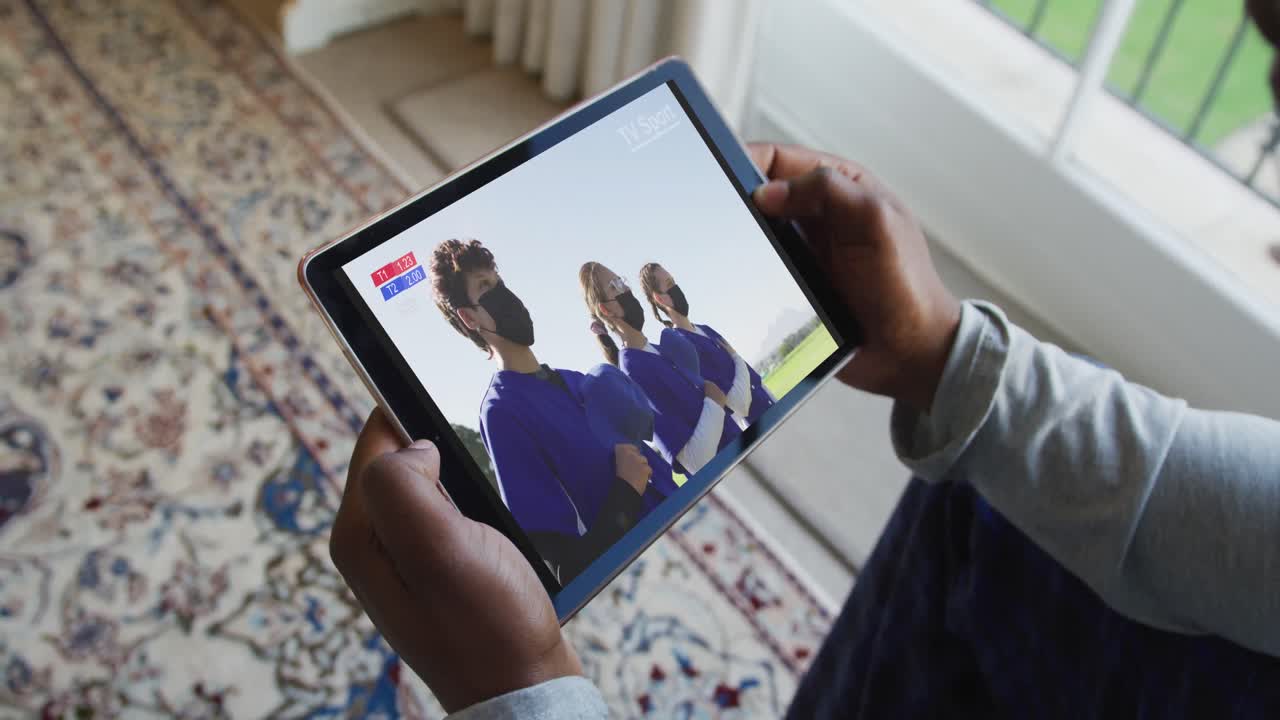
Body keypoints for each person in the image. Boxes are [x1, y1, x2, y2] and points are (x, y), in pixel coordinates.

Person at [427, 239, 677, 584]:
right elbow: (567, 569)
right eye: (485, 287)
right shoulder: (502, 413)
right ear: (469, 317)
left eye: (498, 281)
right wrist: (626, 491)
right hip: (650, 577)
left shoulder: (574, 381)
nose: (503, 293)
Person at [578, 261, 742, 475]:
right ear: (606, 309)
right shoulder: (634, 370)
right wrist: (714, 403)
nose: (626, 289)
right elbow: (694, 461)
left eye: (622, 281)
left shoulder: (658, 350)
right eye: (614, 286)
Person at [638, 262, 776, 428]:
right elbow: (739, 404)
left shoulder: (705, 329)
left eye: (674, 281)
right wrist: (736, 357)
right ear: (659, 298)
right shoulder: (684, 347)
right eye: (669, 284)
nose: (676, 287)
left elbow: (754, 381)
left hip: (772, 404)